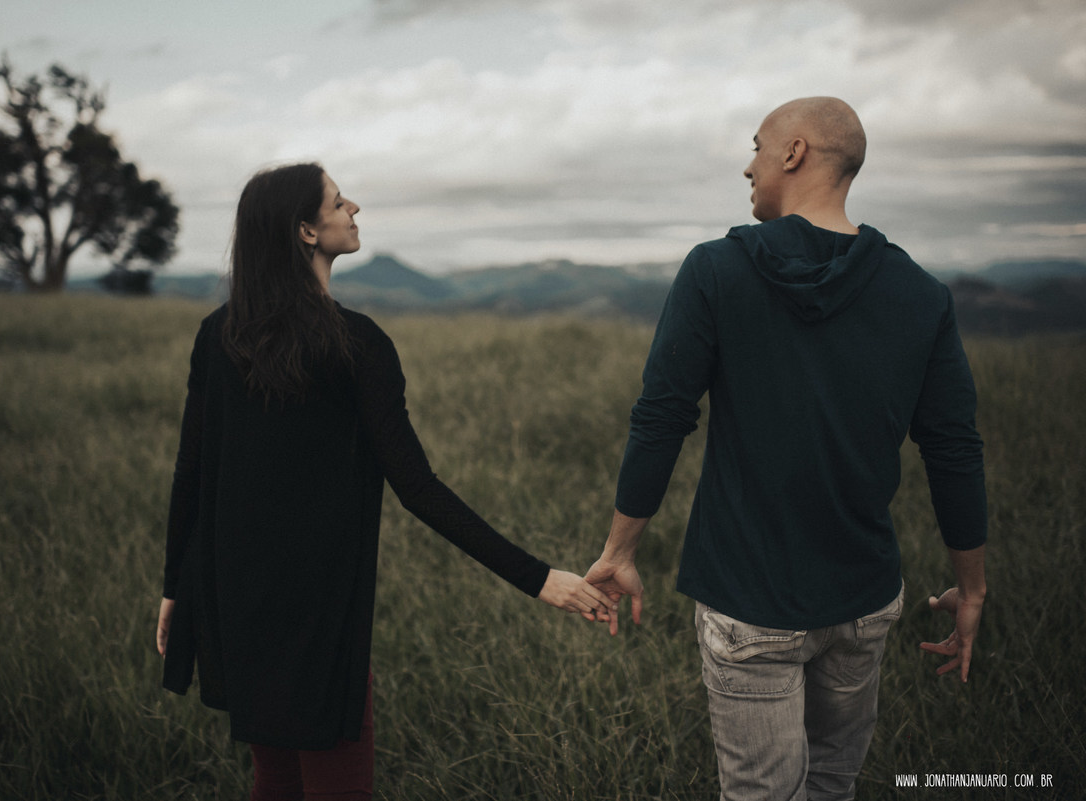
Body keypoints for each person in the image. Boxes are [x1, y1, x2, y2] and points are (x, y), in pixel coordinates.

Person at [155, 163, 614, 801]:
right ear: (306, 232)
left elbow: (192, 470)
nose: (355, 208)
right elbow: (417, 486)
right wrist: (540, 579)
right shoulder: (357, 344)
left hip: (236, 595)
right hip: (321, 610)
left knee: (277, 779)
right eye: (339, 202)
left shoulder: (220, 334)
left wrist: (178, 586)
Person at [584, 97, 988, 800]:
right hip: (864, 596)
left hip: (750, 595)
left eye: (757, 146)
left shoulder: (715, 270)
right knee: (833, 781)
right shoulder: (920, 293)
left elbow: (661, 416)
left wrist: (620, 552)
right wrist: (972, 585)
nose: (749, 165)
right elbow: (953, 448)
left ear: (795, 152)